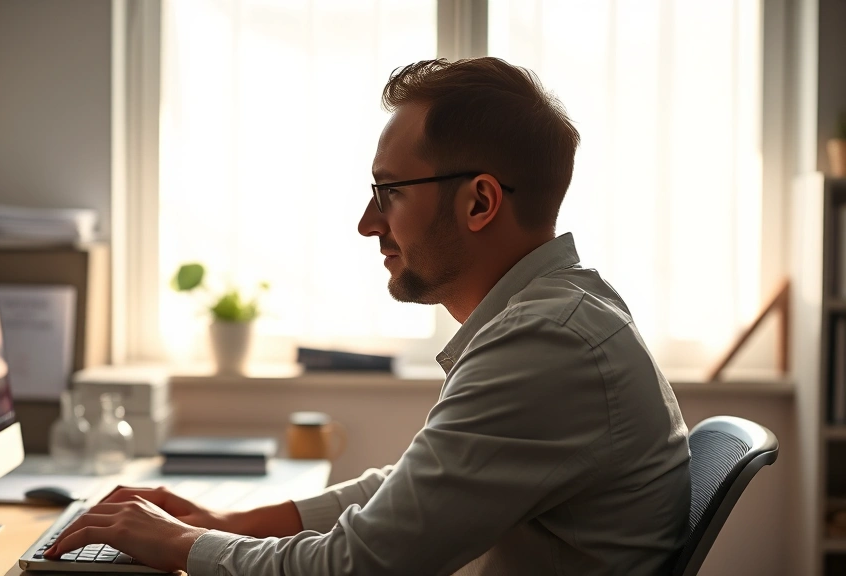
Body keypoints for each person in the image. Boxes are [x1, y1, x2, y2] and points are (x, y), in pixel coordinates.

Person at [46, 57, 691, 575]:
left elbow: (363, 563)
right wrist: (222, 526)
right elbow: (415, 494)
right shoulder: (557, 316)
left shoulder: (547, 341)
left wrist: (182, 547)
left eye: (388, 192)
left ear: (480, 202)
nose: (367, 223)